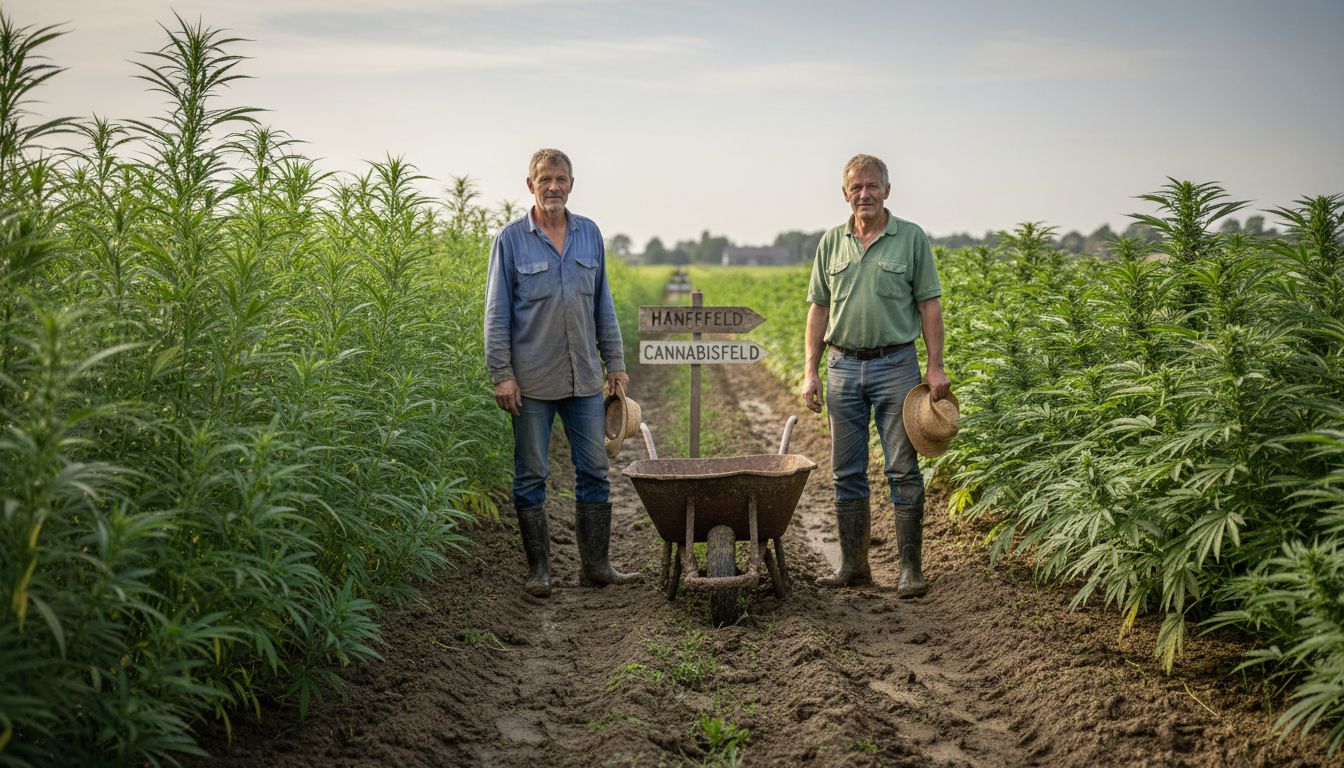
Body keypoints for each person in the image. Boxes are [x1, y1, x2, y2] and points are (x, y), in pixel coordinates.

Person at [484, 148, 641, 597]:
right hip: (531, 383)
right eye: (545, 179)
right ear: (529, 184)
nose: (554, 186)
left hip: (584, 381)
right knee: (532, 473)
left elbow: (602, 304)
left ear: (571, 184)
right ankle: (539, 572)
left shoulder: (589, 234)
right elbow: (495, 316)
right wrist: (503, 375)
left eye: (561, 179)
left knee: (594, 470)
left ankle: (596, 566)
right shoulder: (511, 240)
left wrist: (615, 363)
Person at [801, 153, 951, 598]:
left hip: (896, 367)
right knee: (846, 472)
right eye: (855, 188)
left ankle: (910, 570)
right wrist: (810, 370)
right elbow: (818, 309)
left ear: (887, 190)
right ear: (844, 194)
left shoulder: (911, 239)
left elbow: (929, 305)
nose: (863, 195)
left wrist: (935, 364)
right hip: (842, 367)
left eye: (871, 186)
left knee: (902, 468)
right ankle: (854, 567)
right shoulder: (831, 242)